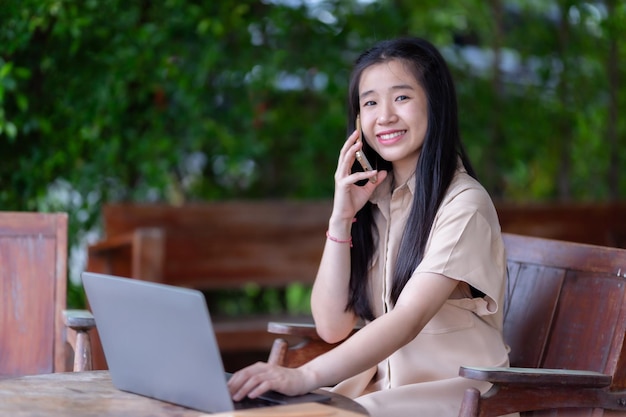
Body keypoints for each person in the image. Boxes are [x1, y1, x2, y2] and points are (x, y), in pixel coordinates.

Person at [227, 36, 512, 417]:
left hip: (459, 395)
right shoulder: (378, 200)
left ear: (435, 104)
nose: (385, 116)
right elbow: (331, 326)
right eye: (371, 102)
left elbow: (407, 319)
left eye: (402, 97)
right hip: (382, 389)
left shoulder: (464, 205)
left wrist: (303, 376)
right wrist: (341, 218)